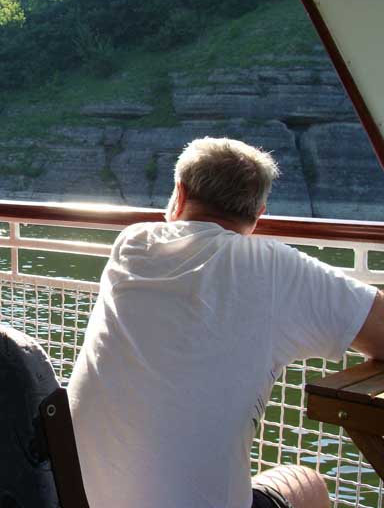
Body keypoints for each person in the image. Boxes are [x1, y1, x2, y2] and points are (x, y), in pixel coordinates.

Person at [68, 137, 384, 508]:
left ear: (179, 194)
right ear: (259, 213)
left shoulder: (133, 242)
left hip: (72, 496)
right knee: (308, 484)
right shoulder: (275, 267)